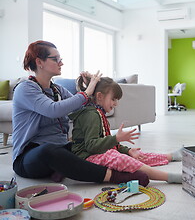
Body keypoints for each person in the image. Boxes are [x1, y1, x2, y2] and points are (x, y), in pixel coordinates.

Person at [12, 40, 149, 186]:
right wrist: (86, 92)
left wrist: (89, 87)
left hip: (60, 149)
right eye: (56, 59)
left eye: (61, 60)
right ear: (40, 62)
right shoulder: (25, 89)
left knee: (87, 146)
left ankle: (63, 169)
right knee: (48, 150)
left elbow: (83, 109)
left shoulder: (57, 89)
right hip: (29, 157)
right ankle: (114, 176)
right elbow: (53, 110)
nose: (61, 63)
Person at [70, 76, 183, 183]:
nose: (116, 103)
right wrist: (116, 139)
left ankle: (171, 156)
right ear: (99, 96)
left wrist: (127, 150)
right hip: (87, 158)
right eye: (113, 99)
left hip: (98, 152)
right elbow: (91, 146)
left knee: (136, 155)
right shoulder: (91, 115)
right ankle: (169, 177)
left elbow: (107, 142)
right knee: (123, 159)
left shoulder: (98, 113)